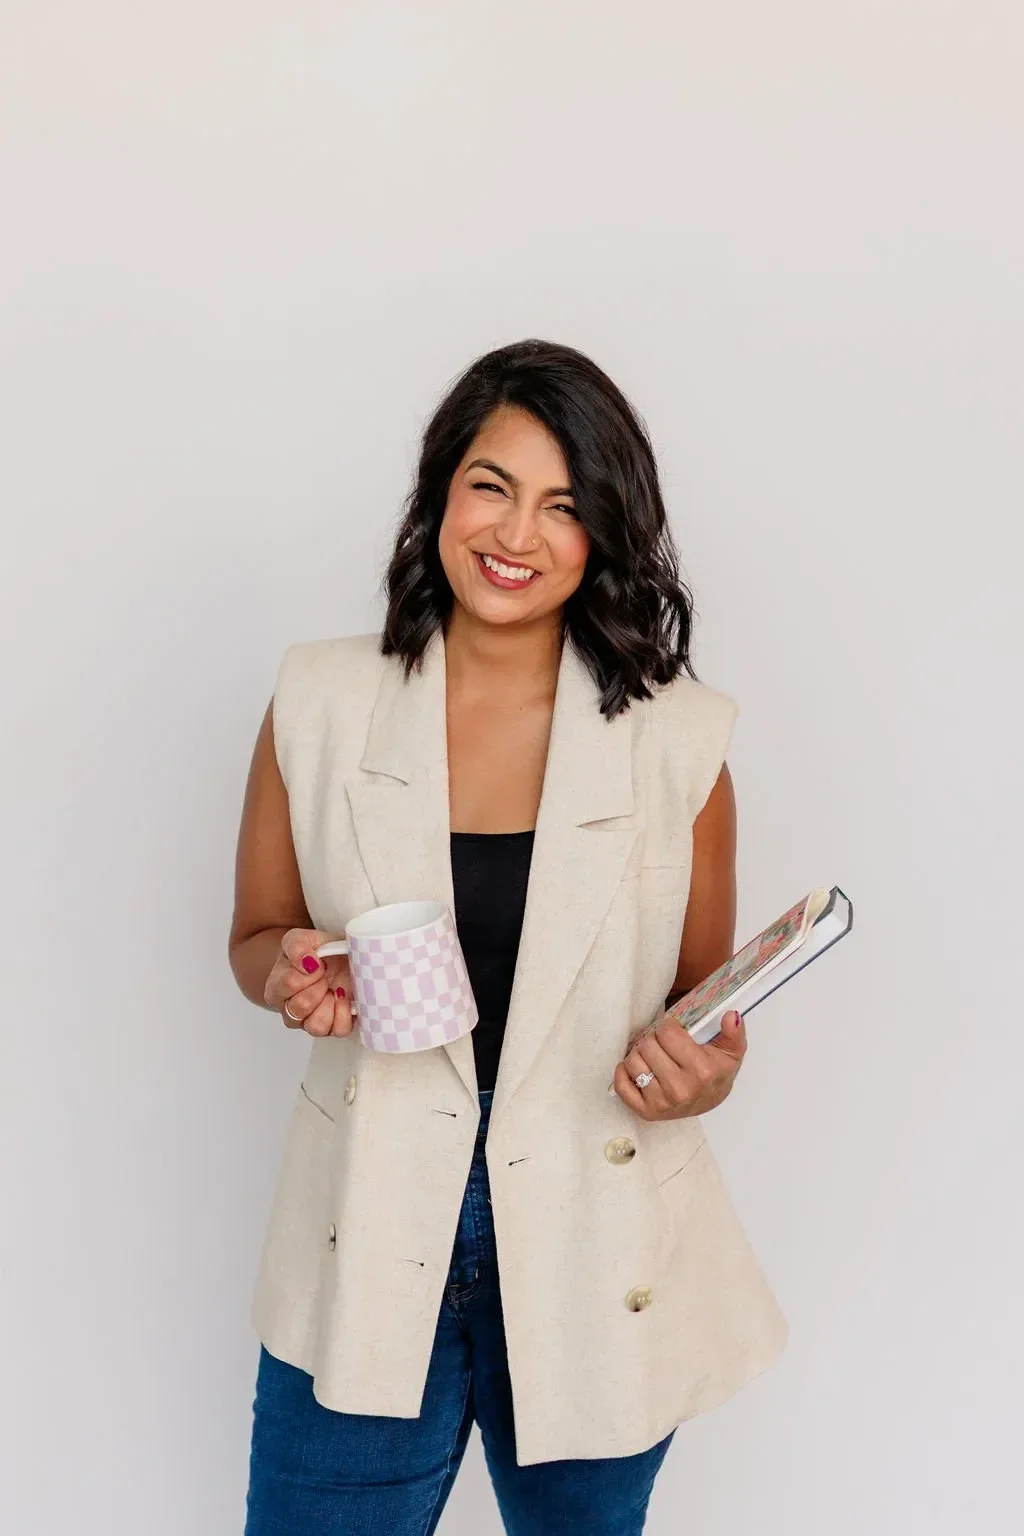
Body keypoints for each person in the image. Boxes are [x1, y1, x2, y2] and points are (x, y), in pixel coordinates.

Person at [229, 339, 787, 1535]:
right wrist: (286, 972)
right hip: (369, 1214)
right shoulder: (317, 701)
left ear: (605, 535)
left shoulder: (679, 740)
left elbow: (699, 1011)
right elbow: (257, 934)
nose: (516, 534)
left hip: (595, 1230)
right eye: (491, 485)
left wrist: (700, 1073)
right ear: (440, 490)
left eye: (564, 505)